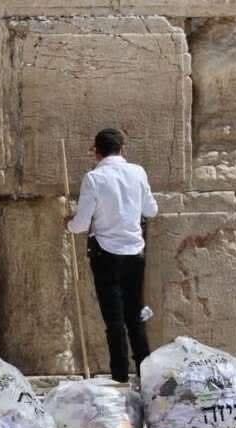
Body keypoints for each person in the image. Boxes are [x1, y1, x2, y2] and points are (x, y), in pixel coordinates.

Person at [67, 128, 158, 383]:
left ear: (96, 151)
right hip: (134, 252)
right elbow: (151, 210)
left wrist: (68, 224)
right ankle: (147, 376)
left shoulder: (94, 178)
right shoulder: (138, 172)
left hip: (105, 255)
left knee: (114, 320)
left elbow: (81, 224)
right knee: (135, 316)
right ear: (122, 148)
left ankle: (120, 377)